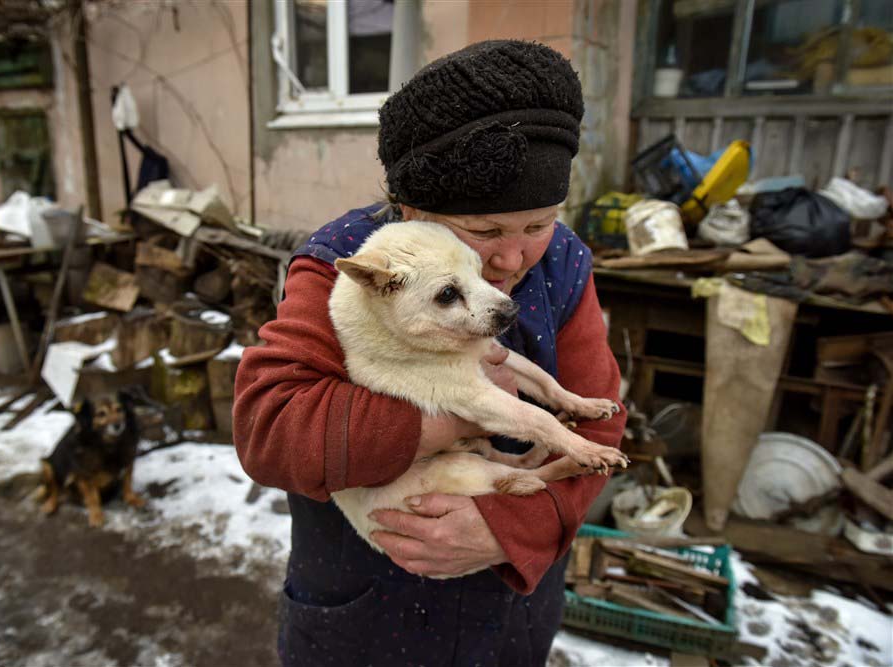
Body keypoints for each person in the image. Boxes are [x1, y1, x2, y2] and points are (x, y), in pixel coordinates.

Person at [233, 40, 627, 666]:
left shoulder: (567, 263)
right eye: (483, 231)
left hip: (510, 615)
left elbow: (599, 420)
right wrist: (460, 413)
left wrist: (512, 529)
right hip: (365, 614)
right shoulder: (356, 266)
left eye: (538, 222)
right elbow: (272, 430)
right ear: (412, 212)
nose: (513, 257)